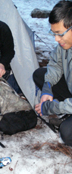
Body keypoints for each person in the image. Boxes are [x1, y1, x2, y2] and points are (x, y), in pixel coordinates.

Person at [33, 1, 72, 146]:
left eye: (59, 34)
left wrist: (51, 108)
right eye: (54, 33)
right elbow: (56, 65)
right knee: (40, 75)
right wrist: (47, 87)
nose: (56, 39)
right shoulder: (64, 45)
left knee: (67, 133)